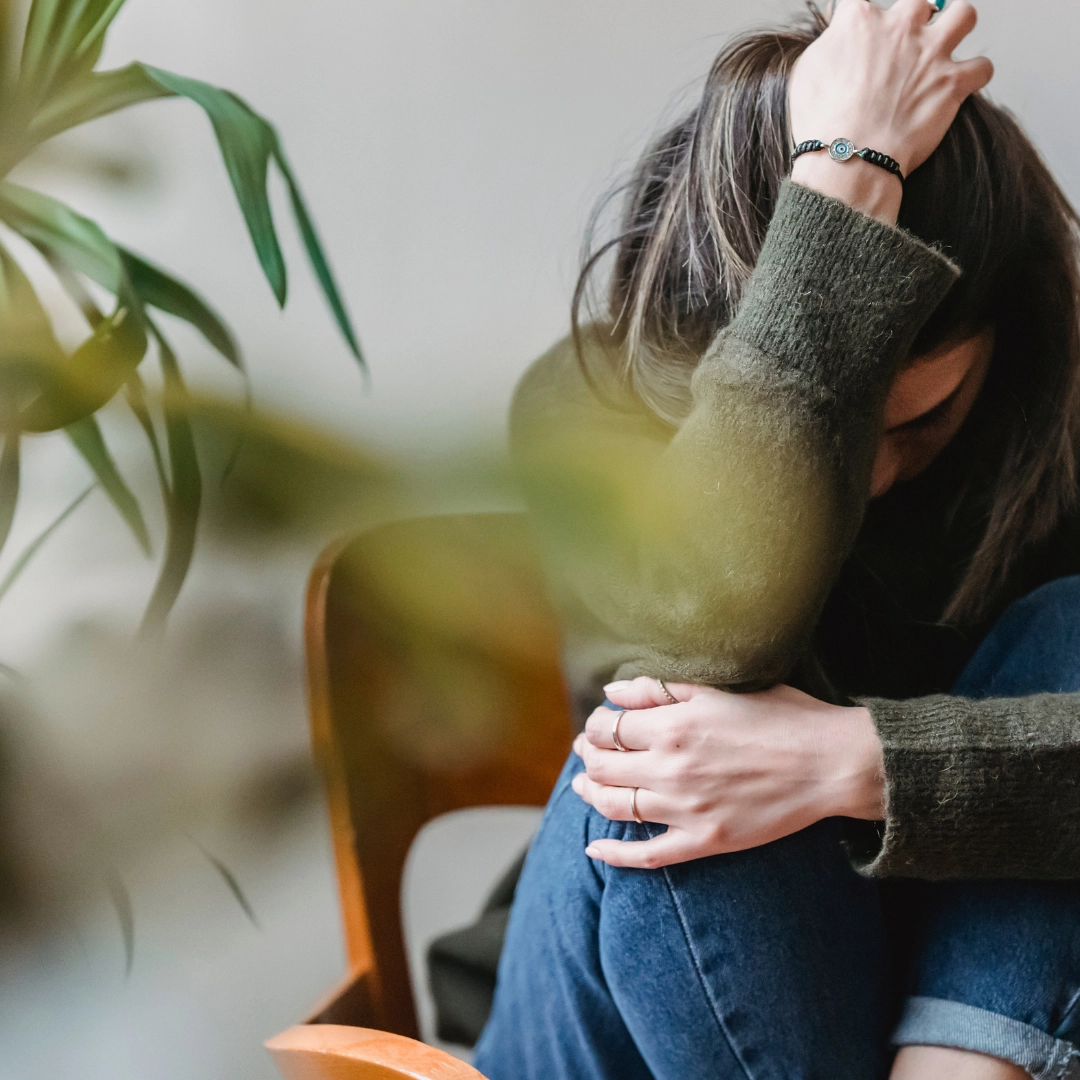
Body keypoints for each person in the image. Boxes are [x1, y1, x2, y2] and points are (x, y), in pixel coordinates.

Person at [472, 1, 1080, 1078]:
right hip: (620, 1020)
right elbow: (705, 642)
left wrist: (861, 764)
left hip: (930, 1015)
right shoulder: (582, 407)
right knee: (676, 745)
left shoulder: (1054, 421)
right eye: (848, 419)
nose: (876, 475)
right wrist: (849, 180)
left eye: (921, 424)